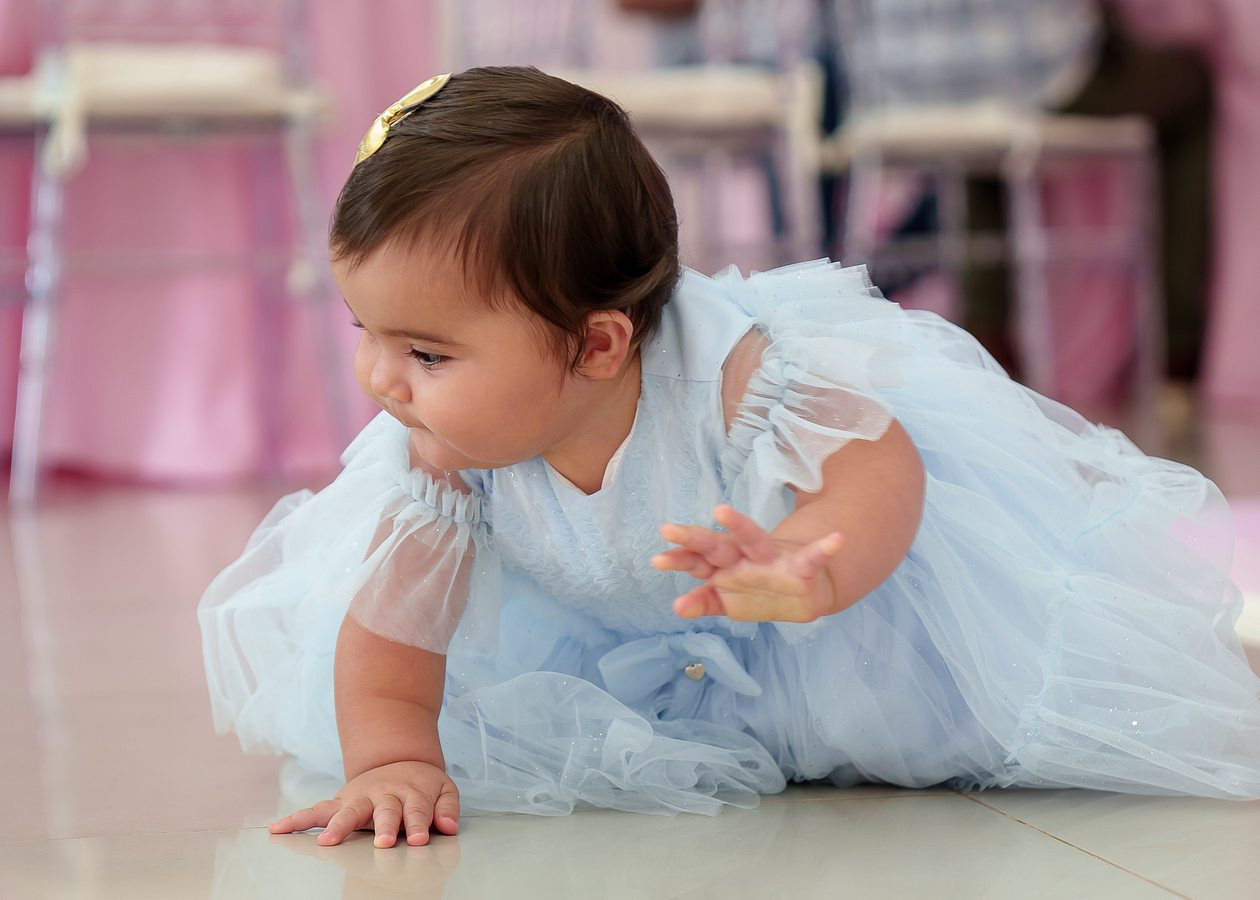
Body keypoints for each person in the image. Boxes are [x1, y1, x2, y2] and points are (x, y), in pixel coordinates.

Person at [198, 66, 1260, 850]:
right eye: (367, 334)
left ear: (597, 345)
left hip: (840, 618)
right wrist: (393, 758)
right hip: (628, 631)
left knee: (1008, 722)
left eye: (426, 353)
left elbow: (877, 463)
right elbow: (393, 628)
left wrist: (810, 561)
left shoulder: (734, 375)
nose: (382, 381)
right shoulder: (437, 448)